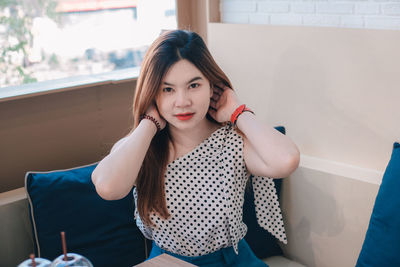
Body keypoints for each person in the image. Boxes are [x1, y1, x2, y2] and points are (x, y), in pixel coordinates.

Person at [92, 30, 300, 267]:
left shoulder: (232, 142)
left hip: (231, 262)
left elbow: (287, 160)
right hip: (167, 262)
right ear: (152, 95)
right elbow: (108, 188)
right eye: (167, 89)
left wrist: (238, 112)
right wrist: (148, 125)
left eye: (193, 85)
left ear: (212, 87)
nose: (182, 101)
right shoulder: (141, 147)